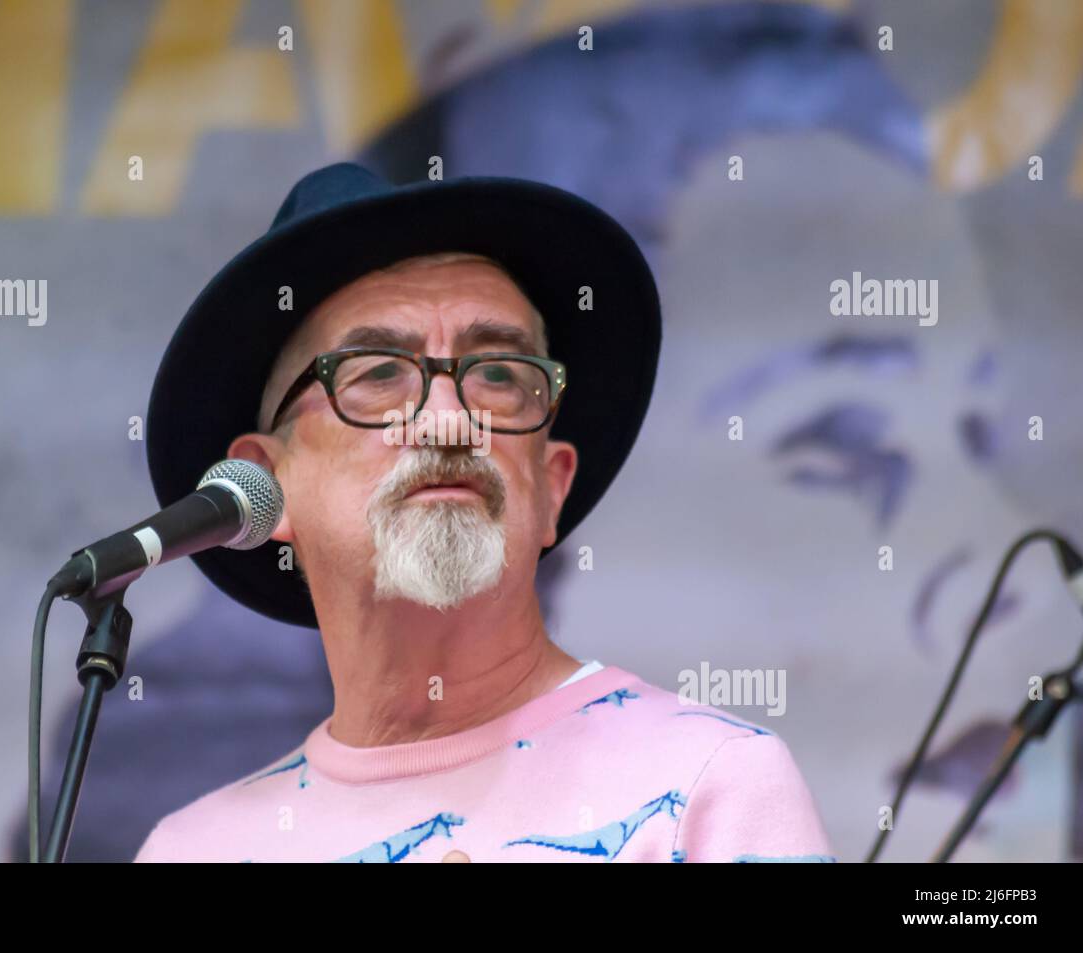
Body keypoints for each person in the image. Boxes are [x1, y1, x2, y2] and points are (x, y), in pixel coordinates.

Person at [134, 162, 834, 862]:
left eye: (499, 375)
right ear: (266, 481)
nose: (449, 420)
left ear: (552, 486)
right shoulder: (192, 849)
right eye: (378, 373)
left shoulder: (715, 786)